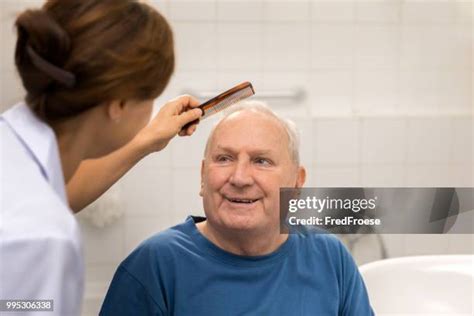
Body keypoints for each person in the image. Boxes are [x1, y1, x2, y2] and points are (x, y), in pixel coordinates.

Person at [0, 1, 202, 315]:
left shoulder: (13, 149)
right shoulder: (43, 235)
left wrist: (145, 140)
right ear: (118, 104)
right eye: (150, 97)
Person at [100, 102, 374, 315]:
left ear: (296, 183)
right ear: (202, 176)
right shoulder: (155, 265)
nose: (240, 177)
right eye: (224, 158)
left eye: (262, 161)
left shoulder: (330, 257)